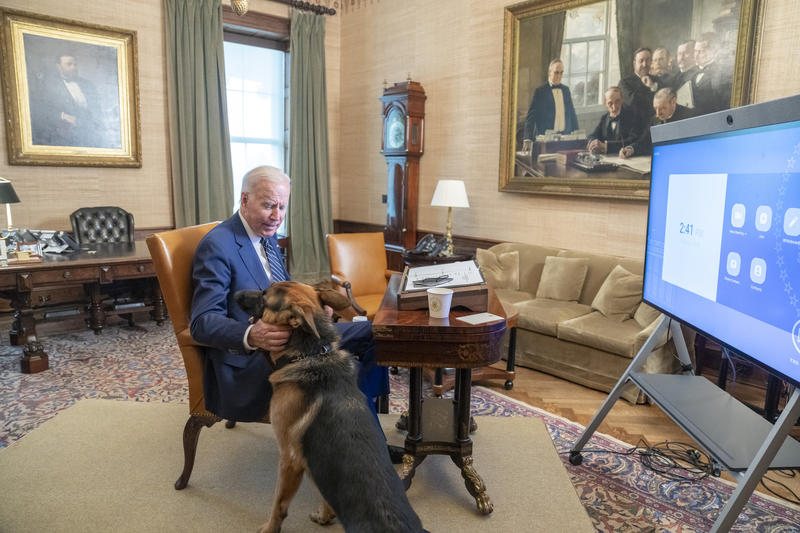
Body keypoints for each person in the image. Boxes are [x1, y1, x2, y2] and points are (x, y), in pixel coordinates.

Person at [190, 166, 390, 429]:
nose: (277, 216)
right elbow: (202, 322)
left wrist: (316, 308)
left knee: (380, 333)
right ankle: (358, 427)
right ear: (244, 199)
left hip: (297, 341)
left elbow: (284, 292)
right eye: (269, 206)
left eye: (282, 207)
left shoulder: (266, 235)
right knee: (340, 367)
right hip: (252, 361)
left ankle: (357, 417)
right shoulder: (218, 246)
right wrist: (251, 334)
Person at [29, 54, 103, 148]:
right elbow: (40, 109)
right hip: (62, 136)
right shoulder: (47, 85)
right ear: (58, 66)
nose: (74, 67)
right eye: (69, 64)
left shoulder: (88, 84)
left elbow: (97, 109)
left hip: (89, 133)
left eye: (75, 64)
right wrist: (63, 116)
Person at [621, 87, 694, 158]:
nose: (658, 113)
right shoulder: (655, 119)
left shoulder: (689, 117)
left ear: (673, 102)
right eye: (655, 108)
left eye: (662, 108)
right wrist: (631, 149)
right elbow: (645, 141)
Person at [522, 58, 579, 143]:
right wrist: (527, 137)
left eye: (561, 72)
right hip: (546, 140)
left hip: (565, 138)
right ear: (549, 72)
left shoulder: (566, 90)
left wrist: (577, 135)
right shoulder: (540, 92)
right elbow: (531, 117)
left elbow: (572, 114)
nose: (559, 76)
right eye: (556, 72)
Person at [586, 86, 645, 157]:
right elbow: (593, 135)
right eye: (610, 103)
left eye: (617, 101)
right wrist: (593, 143)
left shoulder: (633, 117)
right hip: (607, 159)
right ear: (605, 103)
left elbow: (632, 141)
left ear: (622, 100)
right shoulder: (605, 118)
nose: (614, 107)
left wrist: (606, 146)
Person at [692, 32, 731, 115]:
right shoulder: (693, 73)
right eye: (695, 51)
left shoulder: (721, 74)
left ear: (713, 51)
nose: (696, 55)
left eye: (700, 51)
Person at [619, 47, 661, 121]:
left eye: (647, 60)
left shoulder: (657, 80)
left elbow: (662, 102)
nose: (645, 64)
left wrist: (652, 86)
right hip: (634, 127)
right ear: (634, 64)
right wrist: (650, 89)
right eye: (641, 61)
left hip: (655, 123)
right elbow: (634, 103)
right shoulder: (624, 83)